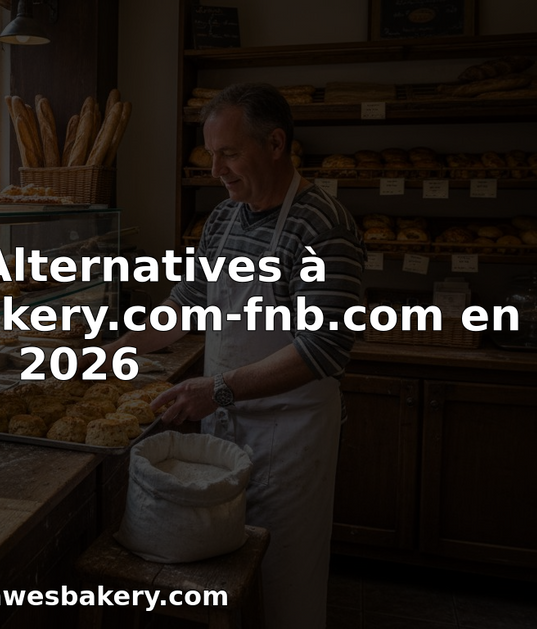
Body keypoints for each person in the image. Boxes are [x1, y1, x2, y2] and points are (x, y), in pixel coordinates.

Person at [97, 82, 364, 628]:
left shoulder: (323, 226)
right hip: (223, 425)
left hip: (290, 437)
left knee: (281, 576)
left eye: (230, 154)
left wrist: (218, 388)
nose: (216, 170)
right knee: (219, 571)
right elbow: (185, 304)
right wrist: (116, 349)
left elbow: (324, 348)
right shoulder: (223, 219)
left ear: (276, 144)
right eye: (211, 154)